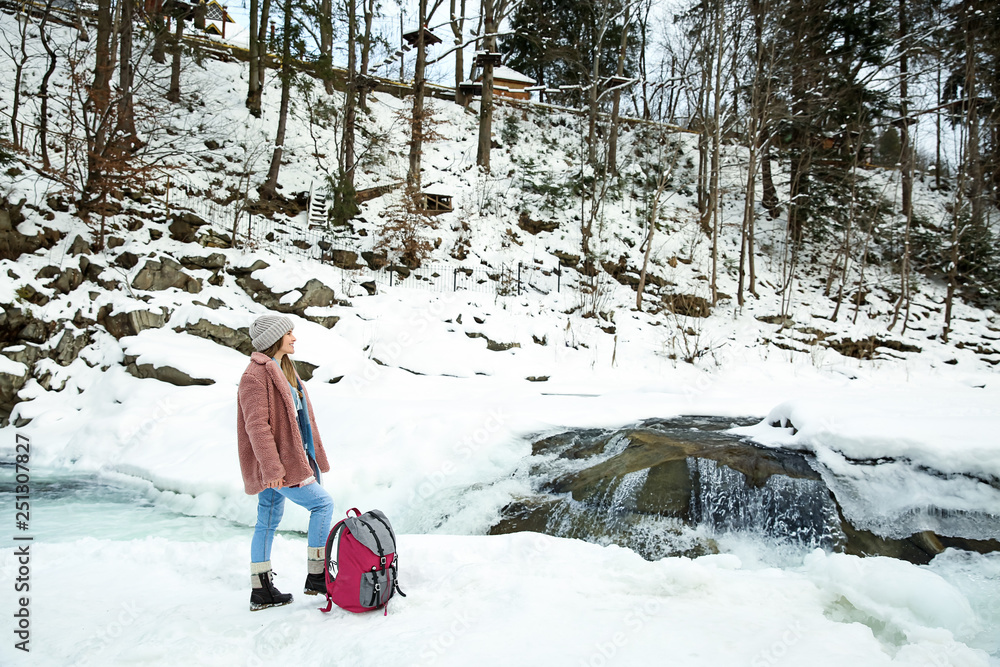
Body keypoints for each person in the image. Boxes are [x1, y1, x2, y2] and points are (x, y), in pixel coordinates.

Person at [237, 314, 334, 611]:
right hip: (279, 464)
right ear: (274, 339)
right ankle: (317, 576)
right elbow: (257, 427)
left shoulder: (284, 370)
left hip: (285, 461)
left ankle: (261, 590)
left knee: (267, 520)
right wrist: (272, 469)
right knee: (322, 505)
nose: (294, 338)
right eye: (289, 333)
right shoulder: (255, 375)